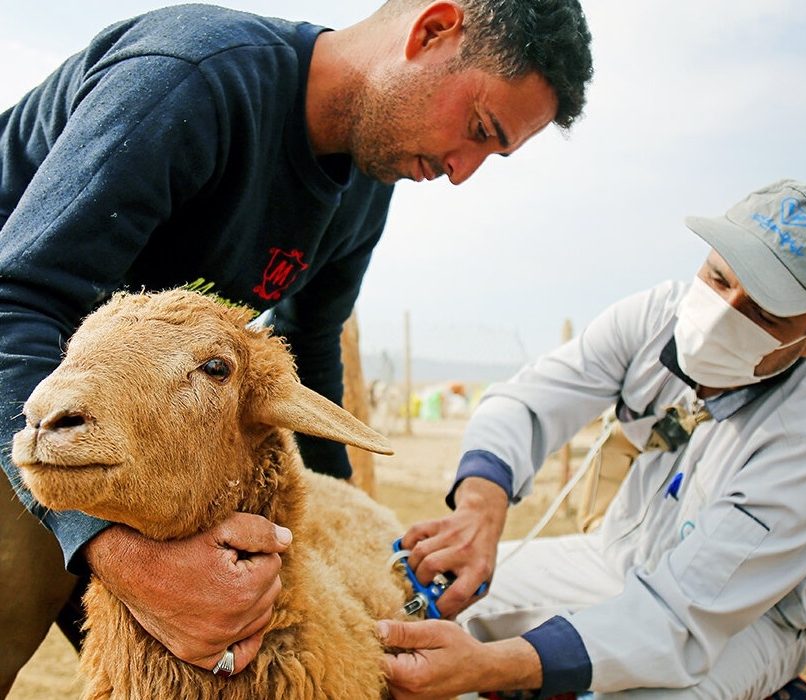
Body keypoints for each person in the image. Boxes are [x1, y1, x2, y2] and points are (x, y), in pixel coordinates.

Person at [0, 0, 592, 692]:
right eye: (477, 129)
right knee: (21, 581)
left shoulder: (368, 182)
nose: (462, 172)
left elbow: (308, 348)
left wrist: (355, 537)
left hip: (140, 452)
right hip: (21, 394)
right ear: (433, 30)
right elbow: (16, 298)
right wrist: (114, 551)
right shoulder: (192, 78)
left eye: (493, 156)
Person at [383, 179, 806, 699]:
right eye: (717, 276)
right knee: (410, 607)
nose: (723, 313)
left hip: (743, 618)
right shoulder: (658, 317)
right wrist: (479, 511)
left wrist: (489, 667)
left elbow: (679, 616)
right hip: (615, 558)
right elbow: (526, 402)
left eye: (764, 314)